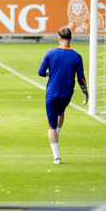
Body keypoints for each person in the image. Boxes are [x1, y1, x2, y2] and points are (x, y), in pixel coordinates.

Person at [38, 27, 88, 164]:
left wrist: (50, 74)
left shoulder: (50, 53)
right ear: (71, 38)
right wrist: (85, 92)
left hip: (52, 94)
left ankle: (56, 156)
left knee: (51, 125)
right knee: (61, 111)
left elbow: (41, 72)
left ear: (59, 38)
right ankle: (57, 136)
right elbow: (81, 79)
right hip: (67, 95)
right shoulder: (77, 56)